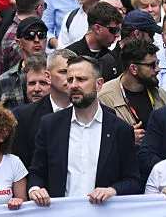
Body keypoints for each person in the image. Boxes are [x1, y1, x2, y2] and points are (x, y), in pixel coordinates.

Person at [27, 57, 142, 204]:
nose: (74, 85)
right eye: (70, 80)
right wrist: (35, 189)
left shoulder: (120, 129)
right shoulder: (50, 125)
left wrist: (112, 190)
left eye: (81, 79)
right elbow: (37, 171)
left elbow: (133, 181)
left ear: (99, 84)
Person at [98, 40, 166, 145]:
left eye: (157, 63)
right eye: (152, 65)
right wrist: (126, 138)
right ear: (133, 69)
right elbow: (96, 139)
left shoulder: (161, 95)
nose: (158, 69)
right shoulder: (104, 97)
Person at [12, 50, 72, 168]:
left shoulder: (85, 110)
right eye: (32, 83)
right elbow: (20, 165)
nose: (37, 89)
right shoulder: (22, 116)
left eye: (43, 83)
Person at [62, 1, 122, 81]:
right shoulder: (69, 56)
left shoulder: (111, 58)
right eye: (114, 30)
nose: (117, 35)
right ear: (97, 28)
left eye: (119, 30)